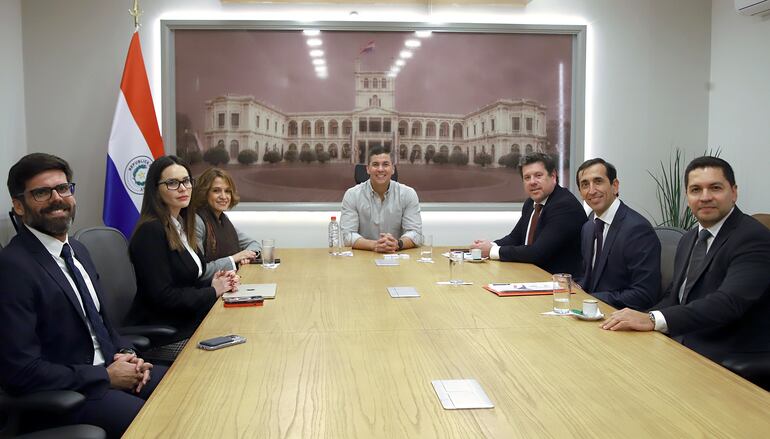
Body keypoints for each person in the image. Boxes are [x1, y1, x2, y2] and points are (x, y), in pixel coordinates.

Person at [0, 153, 166, 438]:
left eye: (63, 188)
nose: (57, 198)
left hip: (107, 372)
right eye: (41, 192)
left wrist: (127, 355)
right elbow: (21, 370)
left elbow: (103, 325)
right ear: (19, 205)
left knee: (187, 387)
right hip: (66, 395)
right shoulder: (13, 267)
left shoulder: (78, 251)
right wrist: (105, 376)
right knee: (160, 424)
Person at [602, 156, 770, 363]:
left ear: (734, 192)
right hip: (684, 343)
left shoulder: (752, 237)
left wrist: (652, 320)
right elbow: (675, 296)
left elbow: (728, 303)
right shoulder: (690, 238)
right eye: (696, 190)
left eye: (715, 188)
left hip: (727, 356)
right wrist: (637, 317)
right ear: (687, 196)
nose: (705, 197)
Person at [128, 156, 238, 346]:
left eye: (186, 181)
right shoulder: (151, 231)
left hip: (189, 321)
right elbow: (164, 297)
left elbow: (186, 282)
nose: (182, 188)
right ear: (156, 190)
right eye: (172, 183)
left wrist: (216, 281)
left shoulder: (181, 226)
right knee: (228, 357)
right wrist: (212, 291)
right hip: (166, 334)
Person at [470, 152, 586, 276]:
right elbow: (515, 238)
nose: (532, 182)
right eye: (527, 177)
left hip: (560, 286)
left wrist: (492, 251)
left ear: (553, 176)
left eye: (538, 175)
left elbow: (538, 253)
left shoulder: (564, 206)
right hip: (533, 277)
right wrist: (488, 246)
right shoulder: (531, 203)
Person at [574, 158, 662, 310]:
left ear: (615, 186)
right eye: (585, 185)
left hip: (620, 317)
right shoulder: (588, 226)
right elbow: (588, 278)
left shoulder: (637, 229)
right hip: (591, 311)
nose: (592, 190)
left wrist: (589, 299)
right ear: (580, 192)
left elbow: (644, 294)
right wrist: (572, 287)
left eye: (598, 181)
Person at [340, 146, 423, 253]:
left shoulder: (408, 194)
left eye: (385, 164)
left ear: (393, 169)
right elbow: (347, 236)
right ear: (367, 169)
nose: (380, 169)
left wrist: (397, 243)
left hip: (396, 256)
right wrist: (374, 245)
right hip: (363, 257)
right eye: (375, 164)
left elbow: (416, 234)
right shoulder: (352, 195)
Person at [191, 168, 260, 282]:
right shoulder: (197, 221)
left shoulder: (223, 219)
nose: (224, 196)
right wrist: (234, 259)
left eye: (227, 191)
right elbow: (199, 271)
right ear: (204, 193)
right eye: (216, 191)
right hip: (208, 292)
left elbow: (253, 244)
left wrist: (247, 256)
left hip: (230, 284)